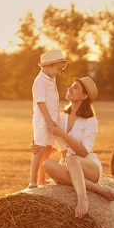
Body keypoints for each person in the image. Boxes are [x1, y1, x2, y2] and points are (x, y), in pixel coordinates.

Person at [41, 76, 114, 218]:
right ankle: (95, 188)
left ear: (84, 96)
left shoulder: (90, 121)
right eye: (71, 85)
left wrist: (62, 134)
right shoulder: (61, 116)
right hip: (67, 164)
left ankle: (83, 198)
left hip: (87, 165)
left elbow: (82, 151)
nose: (69, 88)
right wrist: (38, 146)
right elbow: (58, 146)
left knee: (72, 159)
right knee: (47, 164)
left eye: (75, 87)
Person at [28, 49, 68, 189]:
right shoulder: (40, 81)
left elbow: (52, 102)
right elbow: (41, 103)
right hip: (42, 120)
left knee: (48, 149)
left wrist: (61, 111)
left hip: (52, 119)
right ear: (48, 66)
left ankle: (42, 179)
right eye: (58, 69)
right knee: (39, 148)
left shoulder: (51, 79)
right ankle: (32, 180)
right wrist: (49, 121)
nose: (59, 72)